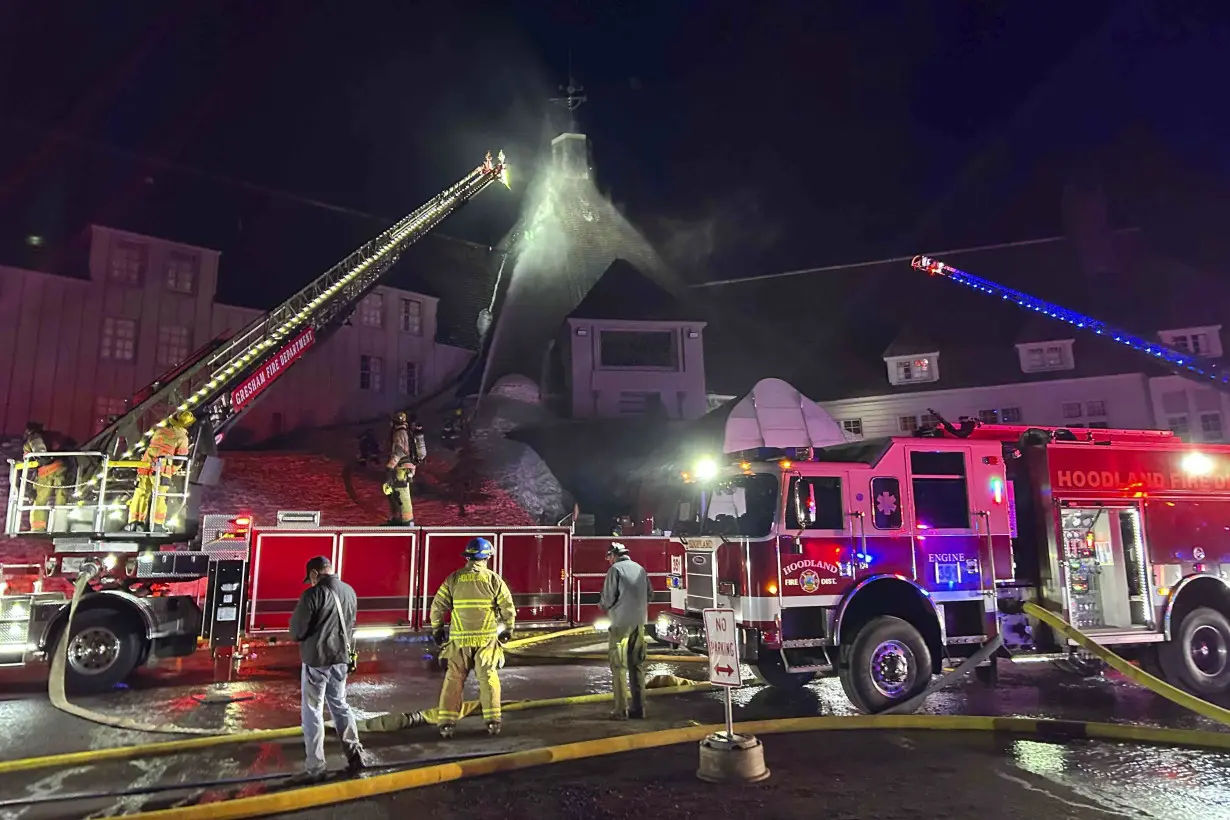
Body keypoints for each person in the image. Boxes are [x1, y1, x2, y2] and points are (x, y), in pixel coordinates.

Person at [289, 556, 370, 782]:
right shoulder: (349, 591)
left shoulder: (312, 595)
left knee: (312, 711)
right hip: (341, 660)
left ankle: (316, 768)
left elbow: (297, 631)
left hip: (317, 661)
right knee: (340, 705)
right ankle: (355, 755)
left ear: (315, 573)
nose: (310, 582)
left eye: (311, 578)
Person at [430, 537, 516, 738]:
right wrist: (508, 629)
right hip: (486, 641)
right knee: (488, 679)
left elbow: (437, 606)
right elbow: (507, 607)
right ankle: (493, 722)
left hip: (459, 642)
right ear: (486, 557)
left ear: (468, 556)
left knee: (453, 680)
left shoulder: (454, 578)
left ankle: (446, 725)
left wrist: (437, 629)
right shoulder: (493, 579)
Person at [599, 542, 652, 720]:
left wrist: (602, 606)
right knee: (636, 665)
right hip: (639, 623)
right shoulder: (640, 569)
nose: (609, 561)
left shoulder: (615, 570)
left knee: (619, 666)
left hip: (621, 625)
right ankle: (639, 709)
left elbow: (608, 598)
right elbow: (650, 594)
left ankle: (620, 710)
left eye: (609, 558)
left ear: (613, 555)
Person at [126, 410, 193, 532]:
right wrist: (171, 470)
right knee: (159, 497)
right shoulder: (182, 437)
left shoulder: (159, 431)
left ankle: (134, 523)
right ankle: (156, 525)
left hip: (144, 467)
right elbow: (179, 460)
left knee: (140, 494)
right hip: (161, 471)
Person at [21, 421, 68, 532]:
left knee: (40, 500)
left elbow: (40, 453)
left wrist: (41, 461)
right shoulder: (51, 436)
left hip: (46, 471)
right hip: (61, 468)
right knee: (61, 498)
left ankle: (38, 528)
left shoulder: (34, 437)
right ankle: (59, 528)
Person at [382, 412, 415, 526]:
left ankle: (407, 524)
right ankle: (401, 520)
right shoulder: (405, 431)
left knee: (402, 496)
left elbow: (400, 451)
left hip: (401, 468)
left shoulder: (399, 433)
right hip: (404, 468)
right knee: (397, 494)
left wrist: (391, 465)